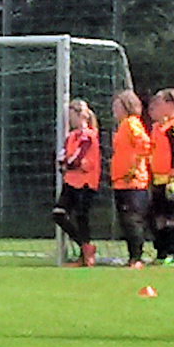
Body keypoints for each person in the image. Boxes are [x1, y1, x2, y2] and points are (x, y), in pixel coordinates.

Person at [147, 88, 174, 267]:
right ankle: (163, 251)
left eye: (160, 102)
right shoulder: (161, 126)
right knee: (160, 217)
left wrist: (173, 176)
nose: (157, 106)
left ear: (170, 104)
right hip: (159, 178)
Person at [52, 99, 100, 267]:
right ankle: (85, 247)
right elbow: (62, 155)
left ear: (79, 115)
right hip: (71, 181)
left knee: (81, 216)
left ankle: (85, 255)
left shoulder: (89, 135)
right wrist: (63, 164)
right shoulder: (72, 136)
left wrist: (68, 164)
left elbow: (78, 157)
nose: (69, 119)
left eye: (71, 115)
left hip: (86, 183)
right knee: (58, 214)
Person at [110, 90, 152, 268]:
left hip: (132, 182)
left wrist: (133, 168)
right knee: (125, 220)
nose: (114, 110)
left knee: (132, 219)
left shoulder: (131, 123)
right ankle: (132, 257)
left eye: (117, 106)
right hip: (121, 181)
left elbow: (145, 145)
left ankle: (137, 257)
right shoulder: (122, 126)